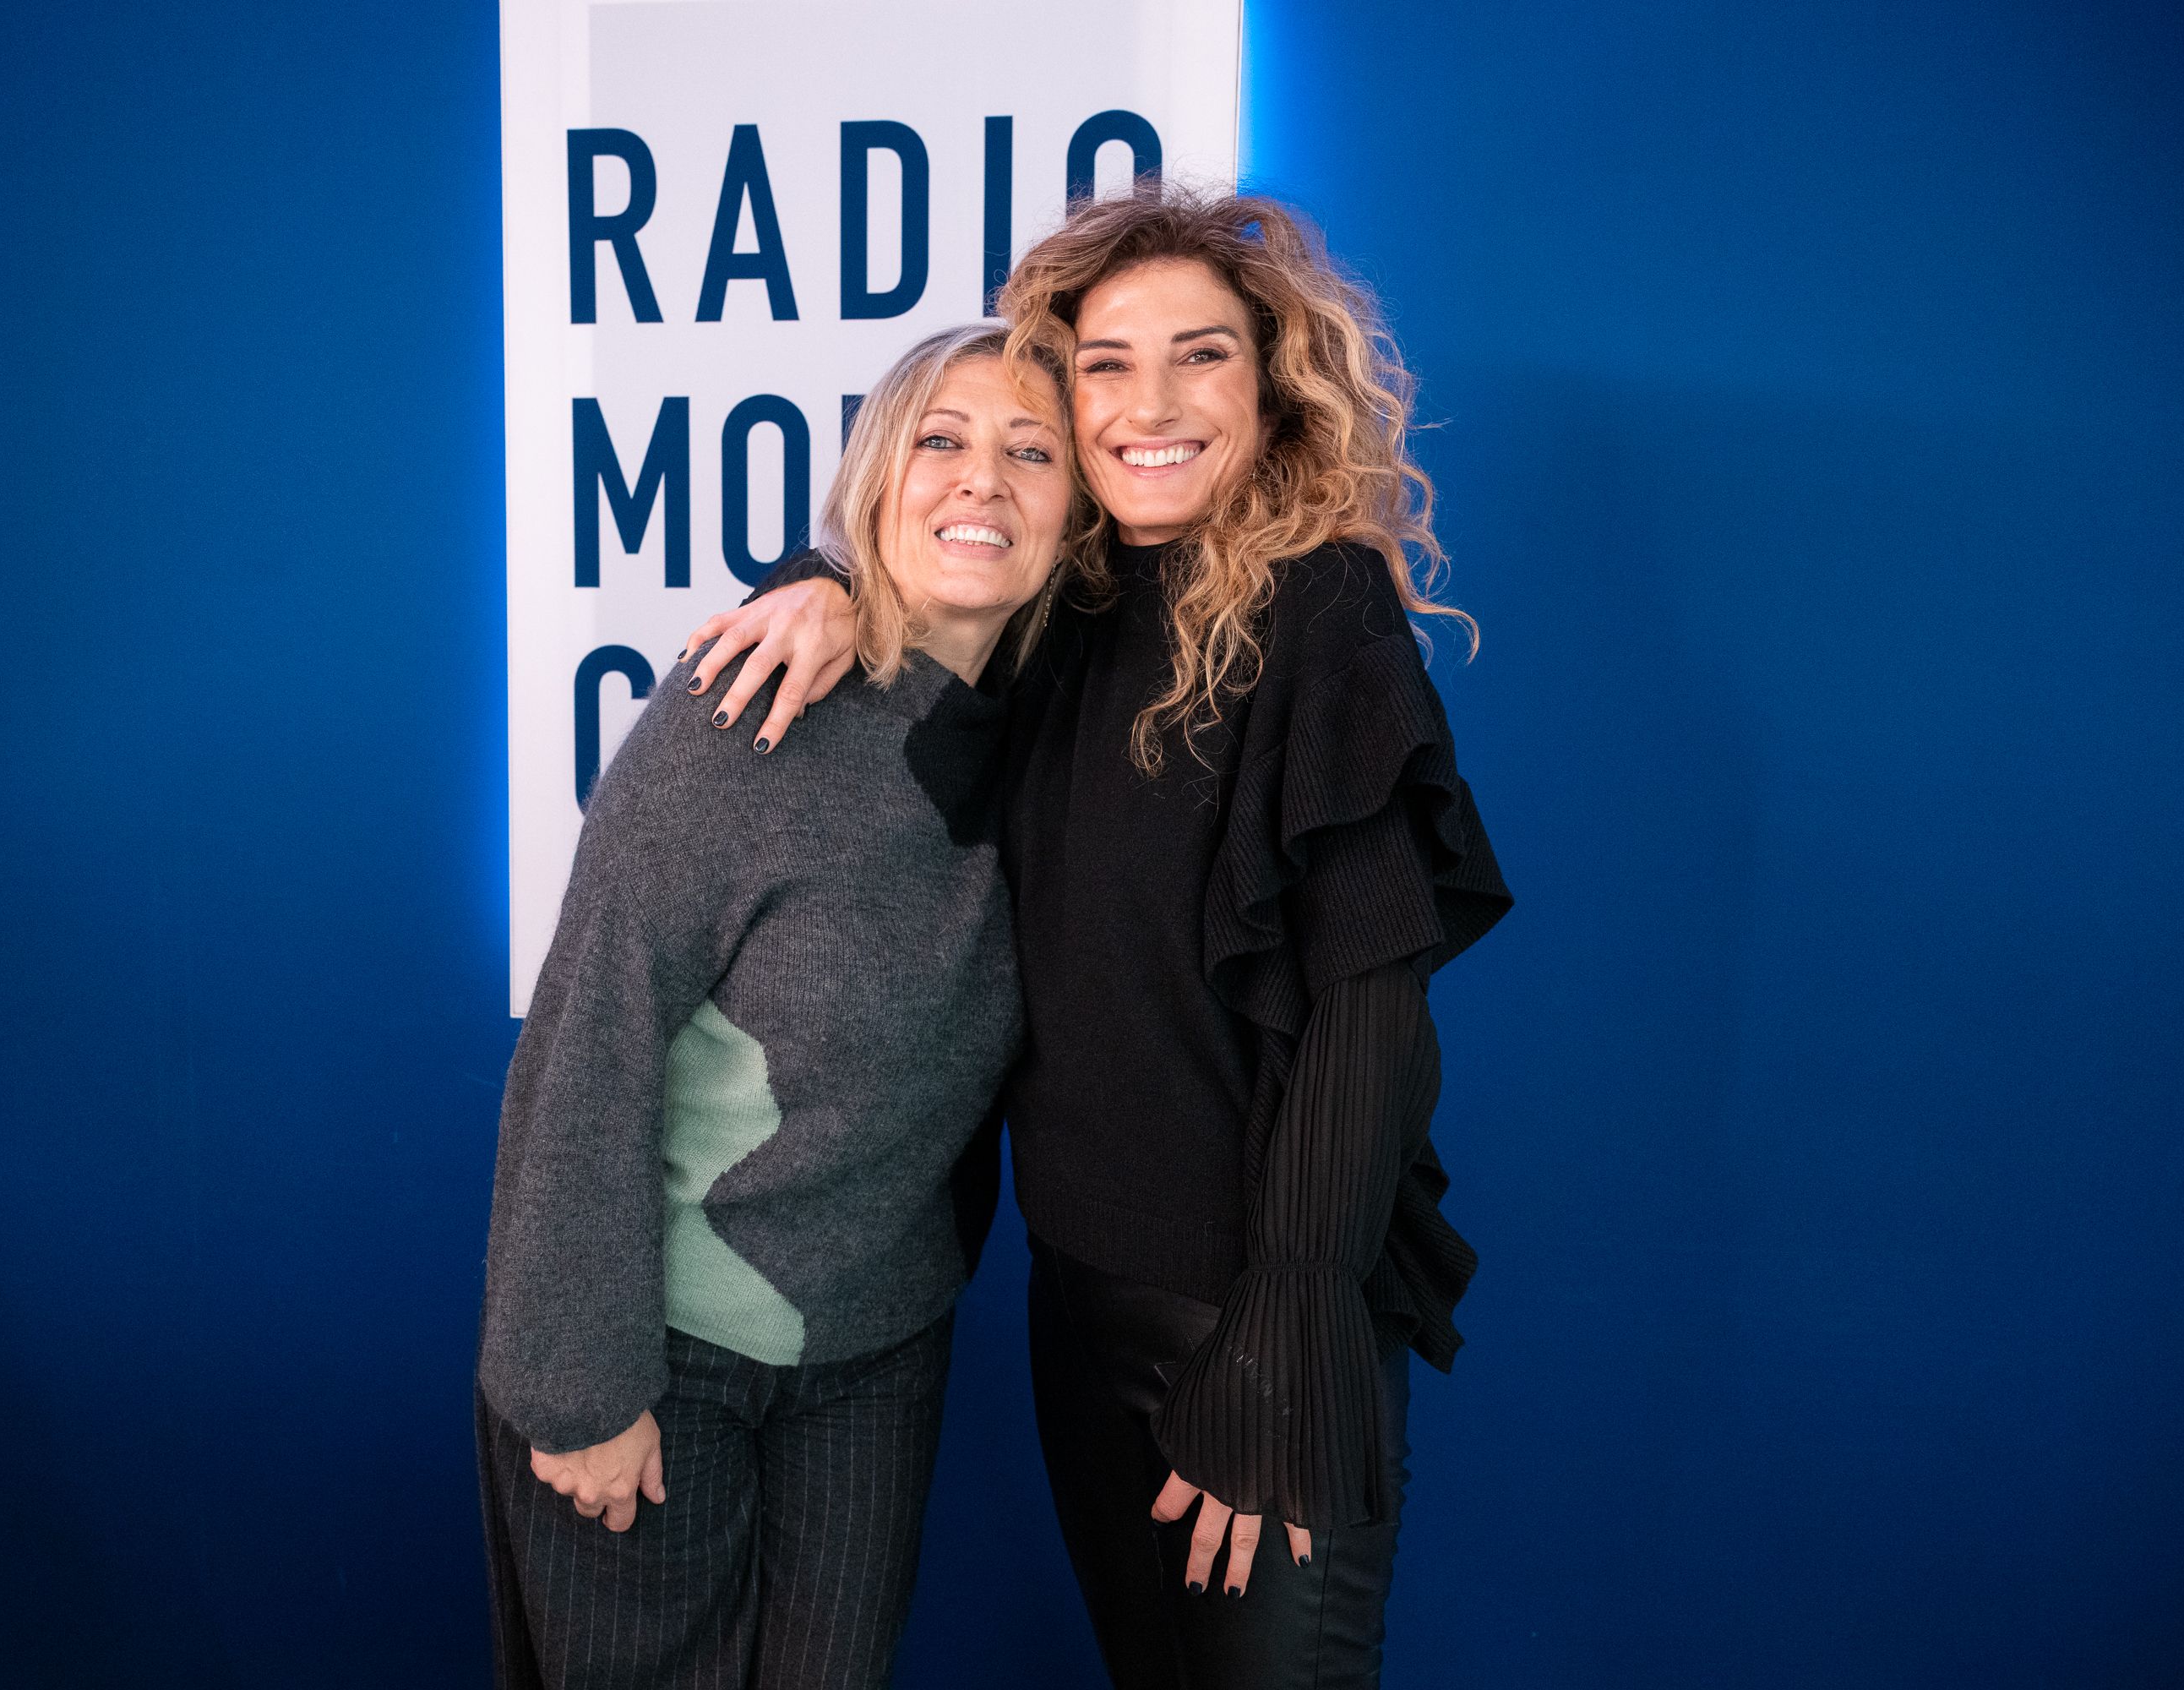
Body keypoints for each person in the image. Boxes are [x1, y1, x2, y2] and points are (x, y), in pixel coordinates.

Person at [684, 187, 1514, 1688]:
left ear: (1273, 385)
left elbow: (1371, 1013)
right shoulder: (1062, 612)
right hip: (1077, 1299)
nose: (1151, 405)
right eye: (1105, 365)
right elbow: (928, 574)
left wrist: (1290, 1322)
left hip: (1260, 1304)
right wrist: (822, 582)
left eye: (1201, 356)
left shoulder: (1323, 608)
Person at [476, 324, 1079, 1690]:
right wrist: (578, 1384)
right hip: (657, 1355)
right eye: (940, 440)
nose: (982, 480)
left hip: (878, 1359)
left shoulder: (1063, 749)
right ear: (871, 482)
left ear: (1076, 514)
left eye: (1031, 452)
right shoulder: (746, 705)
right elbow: (588, 1044)